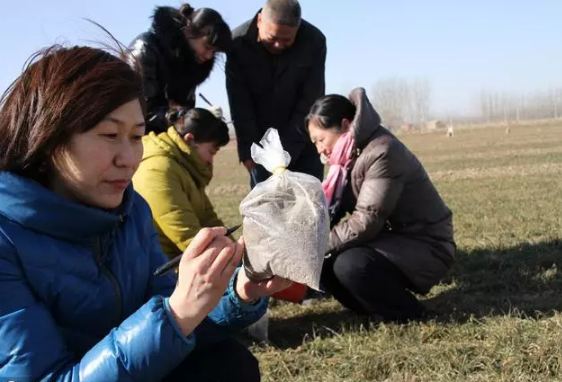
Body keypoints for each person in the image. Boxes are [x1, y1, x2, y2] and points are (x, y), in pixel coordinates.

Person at [0, 44, 291, 382]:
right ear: (48, 136)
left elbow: (166, 313)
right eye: (110, 135)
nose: (129, 159)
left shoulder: (130, 210)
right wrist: (177, 313)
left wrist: (241, 292)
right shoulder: (7, 242)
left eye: (137, 136)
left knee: (227, 364)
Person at [306, 88, 456, 323]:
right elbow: (333, 212)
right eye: (314, 143)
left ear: (345, 126)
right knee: (325, 264)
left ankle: (407, 313)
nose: (319, 149)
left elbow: (366, 221)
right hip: (393, 238)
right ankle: (377, 309)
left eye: (321, 140)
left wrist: (316, 245)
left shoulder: (382, 152)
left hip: (426, 243)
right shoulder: (345, 160)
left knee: (350, 264)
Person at [226, 0, 326, 188]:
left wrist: (284, 155)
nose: (279, 45)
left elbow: (310, 101)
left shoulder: (314, 41)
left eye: (287, 40)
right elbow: (239, 103)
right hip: (261, 146)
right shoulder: (237, 44)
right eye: (272, 38)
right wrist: (248, 150)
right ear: (259, 21)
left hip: (302, 140)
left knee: (308, 207)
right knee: (268, 210)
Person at [133, 107, 230, 259]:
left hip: (182, 259)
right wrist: (232, 259)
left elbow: (208, 218)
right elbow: (186, 235)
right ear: (190, 140)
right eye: (211, 152)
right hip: (163, 269)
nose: (210, 160)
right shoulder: (159, 169)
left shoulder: (184, 166)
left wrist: (236, 250)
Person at [129, 3, 231, 134]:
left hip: (165, 141)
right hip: (136, 140)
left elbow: (182, 107)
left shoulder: (189, 65)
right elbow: (142, 110)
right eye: (207, 47)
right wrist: (189, 116)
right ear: (187, 32)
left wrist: (203, 119)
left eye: (214, 52)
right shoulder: (145, 50)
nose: (209, 56)